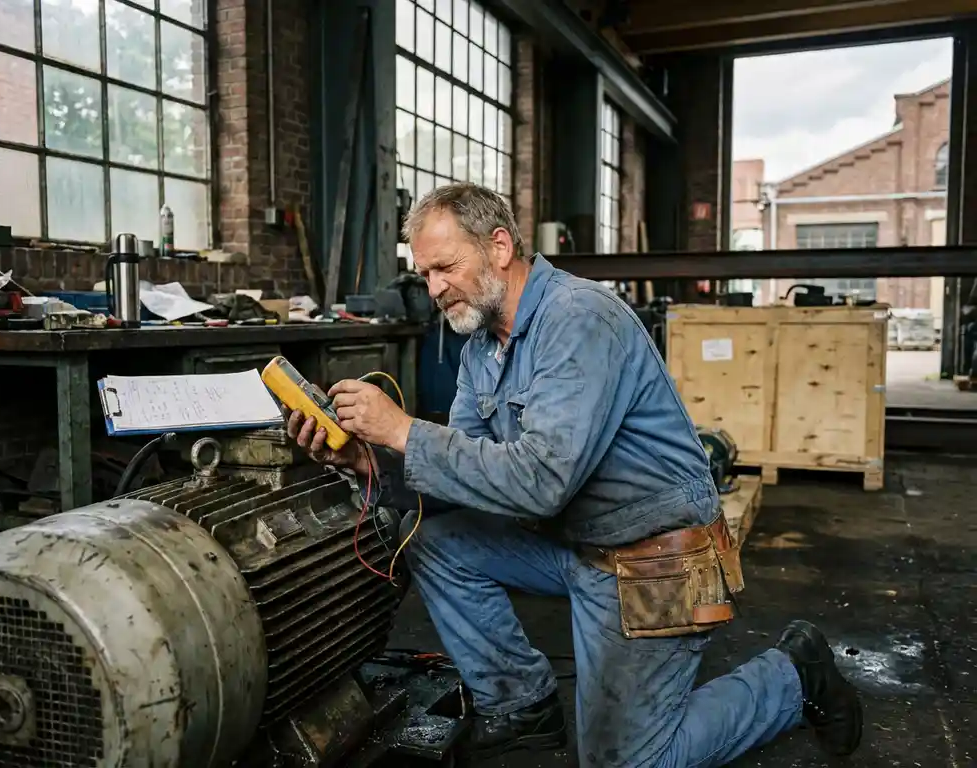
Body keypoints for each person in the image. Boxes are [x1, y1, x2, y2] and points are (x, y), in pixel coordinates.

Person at [286, 182, 863, 767]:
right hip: (574, 542)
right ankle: (520, 703)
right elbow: (467, 474)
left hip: (655, 559)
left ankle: (792, 675)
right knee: (432, 539)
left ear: (501, 246)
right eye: (424, 273)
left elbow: (541, 481)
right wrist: (365, 459)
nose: (433, 288)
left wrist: (404, 431)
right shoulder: (481, 349)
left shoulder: (580, 320)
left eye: (445, 267)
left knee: (626, 762)